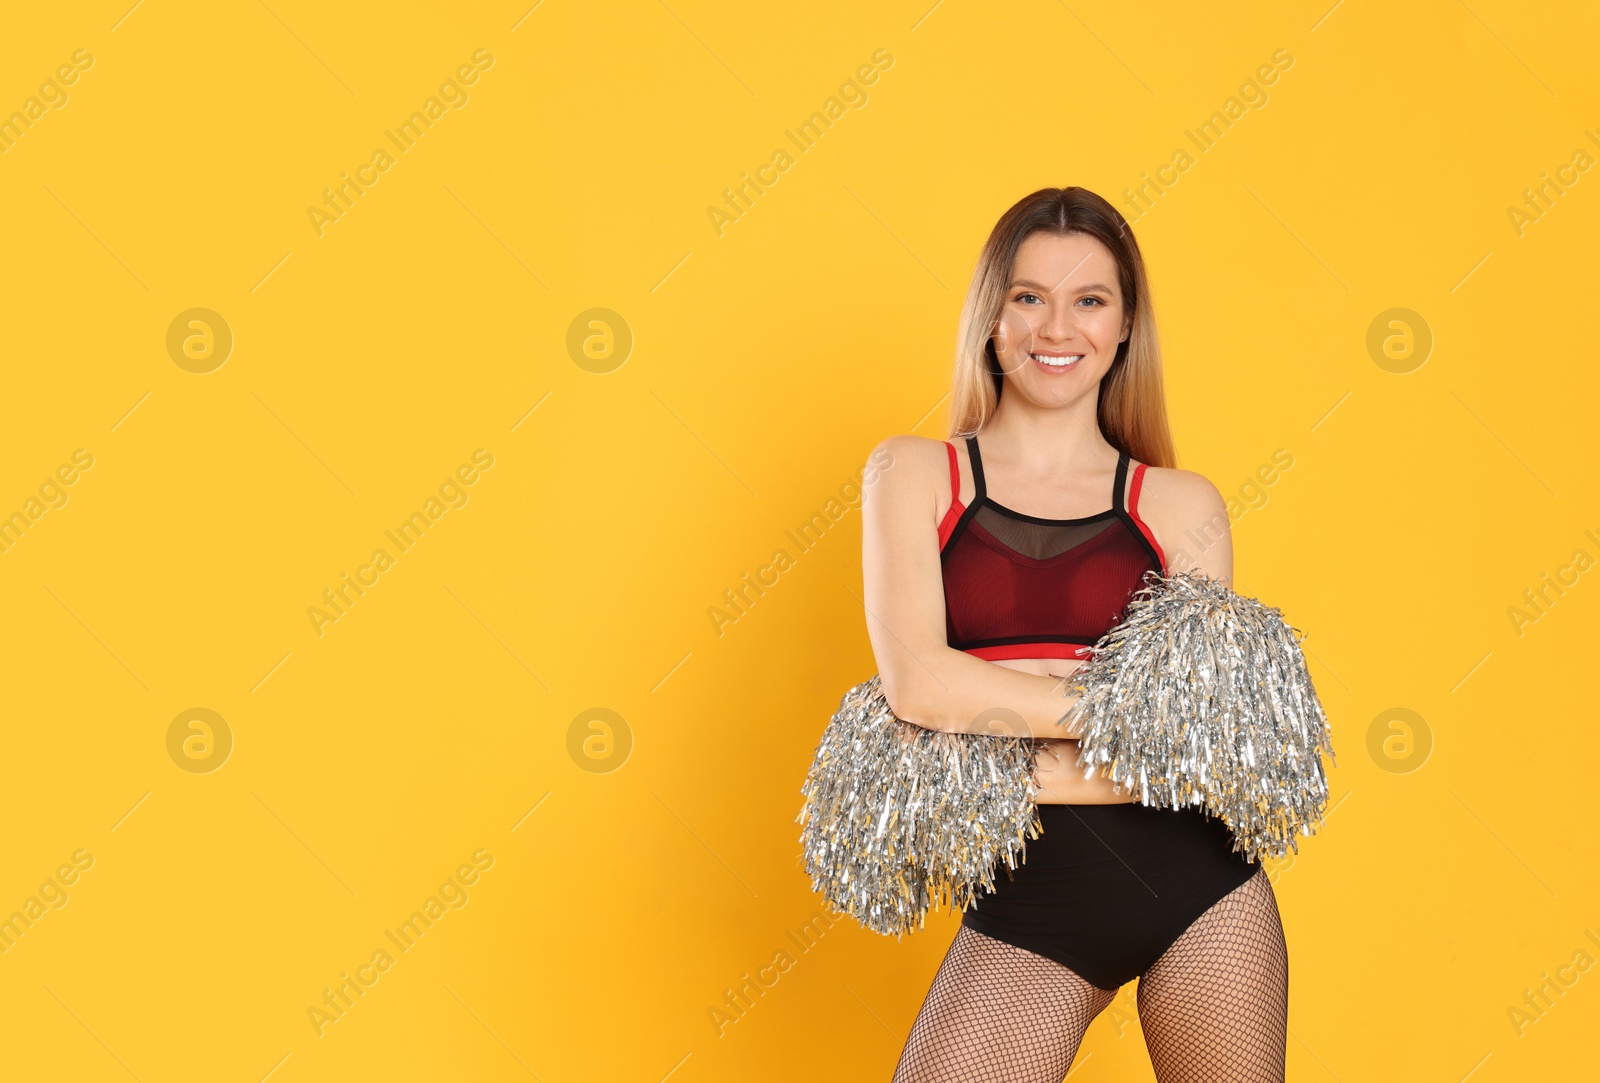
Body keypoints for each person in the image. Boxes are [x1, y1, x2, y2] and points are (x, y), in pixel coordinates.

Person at [861, 187, 1289, 1082]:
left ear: (1126, 325)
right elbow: (917, 683)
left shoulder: (1180, 505)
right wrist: (1129, 715)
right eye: (1028, 297)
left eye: (1089, 300)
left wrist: (989, 724)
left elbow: (1193, 741)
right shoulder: (913, 473)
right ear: (992, 315)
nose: (1058, 327)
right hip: (1034, 893)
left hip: (1201, 883)